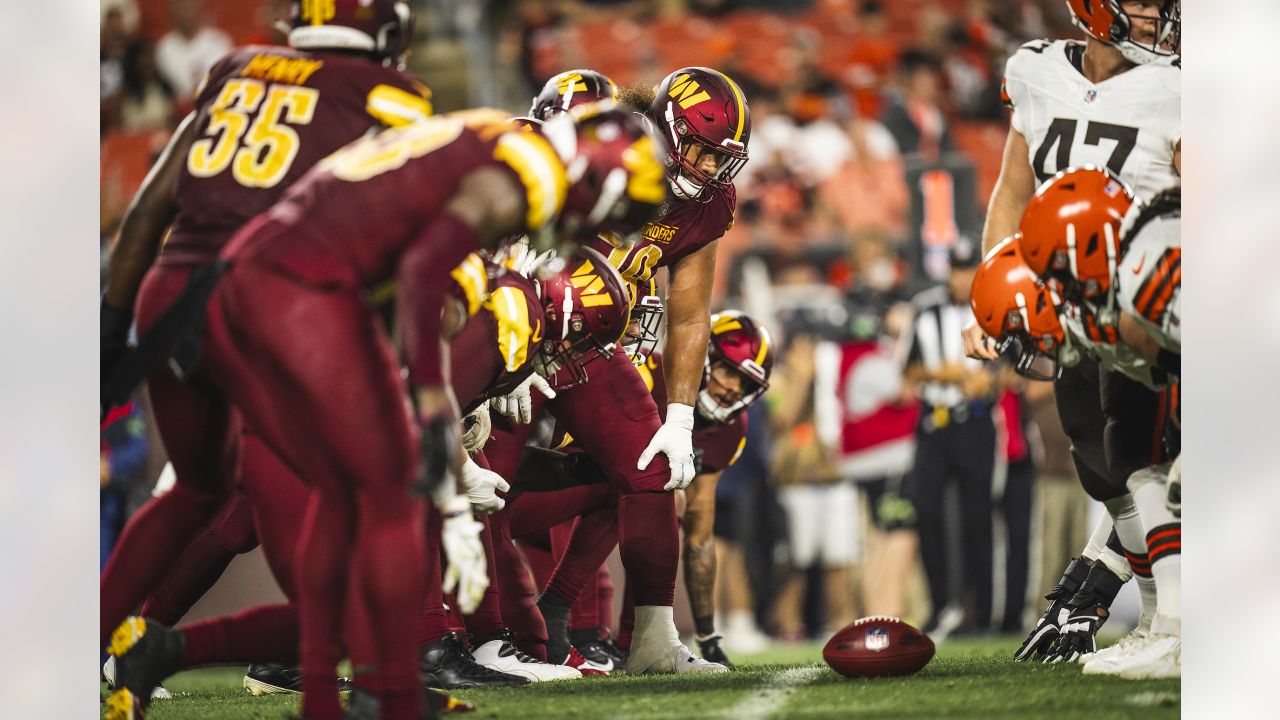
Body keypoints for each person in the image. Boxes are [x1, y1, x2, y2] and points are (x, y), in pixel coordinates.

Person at [103, 99, 666, 720]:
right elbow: (423, 280)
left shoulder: (480, 152)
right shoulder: (522, 188)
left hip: (276, 288)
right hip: (286, 303)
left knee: (295, 535)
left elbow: (410, 277)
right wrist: (440, 427)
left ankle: (333, 681)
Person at [101, 6, 435, 718]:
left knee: (194, 488)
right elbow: (401, 236)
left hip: (172, 287)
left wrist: (108, 328)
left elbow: (150, 207)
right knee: (350, 498)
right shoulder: (385, 93)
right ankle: (371, 680)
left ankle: (85, 646)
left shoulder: (235, 70)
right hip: (268, 303)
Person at [486, 66, 752, 675]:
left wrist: (681, 416)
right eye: (705, 152)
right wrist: (502, 347)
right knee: (481, 487)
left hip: (588, 343)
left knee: (649, 465)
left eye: (723, 159)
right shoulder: (604, 145)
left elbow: (689, 316)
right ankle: (474, 635)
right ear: (668, 129)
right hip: (519, 330)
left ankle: (652, 641)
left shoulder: (705, 203)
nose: (712, 170)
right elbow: (503, 235)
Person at [960, 0, 1180, 660]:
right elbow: (1012, 190)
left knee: (1150, 458)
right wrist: (991, 290)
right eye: (1142, 3)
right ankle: (1154, 622)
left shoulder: (1181, 85)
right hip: (1065, 297)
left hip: (1145, 300)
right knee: (1102, 464)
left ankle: (1174, 620)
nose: (1156, 17)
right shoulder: (1034, 71)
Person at [901, 241, 1002, 638]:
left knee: (978, 517)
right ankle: (942, 603)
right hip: (935, 424)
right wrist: (945, 375)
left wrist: (990, 380)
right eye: (957, 270)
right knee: (928, 514)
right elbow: (908, 371)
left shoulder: (992, 308)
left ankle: (981, 610)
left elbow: (1015, 368)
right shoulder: (925, 310)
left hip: (976, 424)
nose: (961, 278)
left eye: (968, 270)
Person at [154, 0, 233, 100]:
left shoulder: (219, 41)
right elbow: (174, 87)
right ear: (171, 15)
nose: (186, 14)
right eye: (181, 9)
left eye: (189, 8)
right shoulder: (164, 48)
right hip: (182, 109)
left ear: (200, 11)